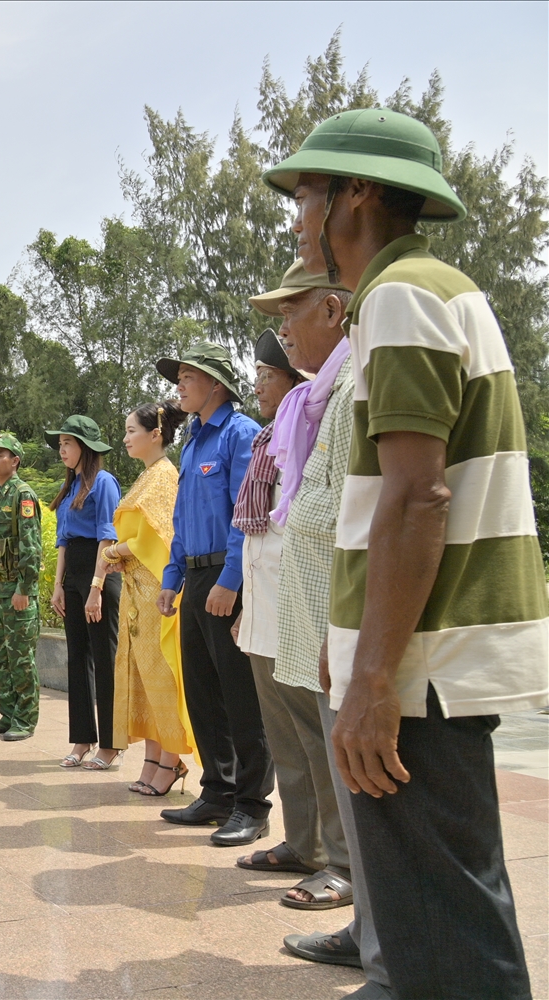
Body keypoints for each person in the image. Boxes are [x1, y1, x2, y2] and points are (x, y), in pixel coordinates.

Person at [264, 108, 548, 1000]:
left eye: (306, 195)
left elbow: (418, 497)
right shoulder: (429, 290)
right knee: (443, 923)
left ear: (356, 193)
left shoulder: (401, 295)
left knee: (445, 941)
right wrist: (351, 644)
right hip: (414, 656)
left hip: (422, 666)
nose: (297, 219)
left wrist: (376, 676)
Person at [258, 260, 386, 989]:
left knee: (363, 790)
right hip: (322, 625)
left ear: (334, 312)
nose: (281, 332)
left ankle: (383, 940)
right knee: (347, 784)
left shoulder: (350, 384)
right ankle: (369, 930)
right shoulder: (322, 395)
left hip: (345, 628)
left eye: (292, 313)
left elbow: (362, 513)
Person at [231, 325, 355, 910]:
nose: (258, 384)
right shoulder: (268, 438)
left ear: (296, 379)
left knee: (318, 737)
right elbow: (259, 535)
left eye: (267, 374)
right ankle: (301, 843)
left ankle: (340, 858)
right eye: (256, 374)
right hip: (266, 609)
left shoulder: (316, 421)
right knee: (286, 737)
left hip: (303, 607)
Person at [154, 342, 274, 847]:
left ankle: (251, 804)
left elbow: (245, 515)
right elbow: (183, 521)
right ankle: (217, 791)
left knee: (240, 695)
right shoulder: (194, 442)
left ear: (216, 384)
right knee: (203, 692)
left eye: (187, 376)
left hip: (231, 580)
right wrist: (171, 577)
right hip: (197, 580)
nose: (178, 385)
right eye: (177, 376)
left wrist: (230, 580)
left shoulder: (239, 434)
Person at [98, 400, 195, 796]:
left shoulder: (164, 476)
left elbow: (161, 538)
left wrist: (116, 552)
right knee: (142, 678)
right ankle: (154, 759)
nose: (125, 439)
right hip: (137, 591)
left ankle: (171, 761)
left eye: (131, 431)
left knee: (162, 677)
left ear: (155, 434)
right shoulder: (146, 477)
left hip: (158, 590)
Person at [46, 415, 122, 769]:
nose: (62, 450)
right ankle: (82, 740)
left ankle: (111, 745)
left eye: (68, 443)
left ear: (86, 448)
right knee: (76, 658)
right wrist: (58, 586)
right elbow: (63, 541)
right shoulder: (70, 488)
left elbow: (107, 535)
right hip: (74, 572)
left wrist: (96, 587)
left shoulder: (103, 483)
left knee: (105, 659)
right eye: (60, 444)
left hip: (99, 571)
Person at [0, 432, 43, 740]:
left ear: (14, 461)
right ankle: (8, 713)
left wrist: (25, 589)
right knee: (0, 658)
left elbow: (31, 547)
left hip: (15, 592)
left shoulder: (23, 495)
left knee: (20, 658)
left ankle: (26, 719)